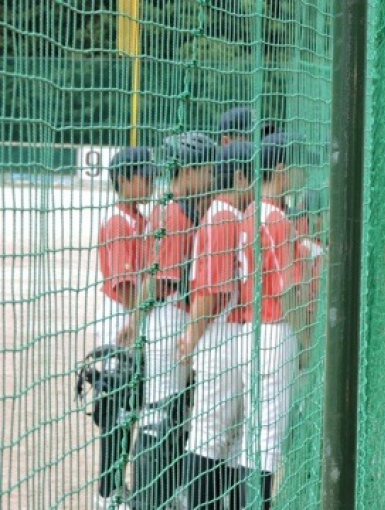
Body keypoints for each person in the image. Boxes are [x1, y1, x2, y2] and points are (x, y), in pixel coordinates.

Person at [117, 132, 217, 509]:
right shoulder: (173, 214)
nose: (211, 176)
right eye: (206, 169)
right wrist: (136, 322)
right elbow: (157, 283)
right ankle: (147, 499)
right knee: (161, 415)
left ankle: (158, 496)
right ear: (188, 171)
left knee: (169, 414)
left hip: (168, 319)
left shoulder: (174, 207)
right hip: (168, 321)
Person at [178, 141, 254, 510]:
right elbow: (212, 290)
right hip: (225, 335)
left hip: (224, 336)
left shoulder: (224, 215)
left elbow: (212, 291)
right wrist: (192, 337)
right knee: (219, 437)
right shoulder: (227, 215)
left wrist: (191, 338)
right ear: (239, 177)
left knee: (218, 437)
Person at [238, 132, 308, 509]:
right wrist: (307, 343)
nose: (303, 175)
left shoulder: (250, 210)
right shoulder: (275, 217)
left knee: (253, 435)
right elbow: (286, 292)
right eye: (298, 167)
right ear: (281, 169)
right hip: (274, 331)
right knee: (267, 440)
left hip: (251, 331)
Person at [94, 146, 158, 509]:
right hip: (120, 321)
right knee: (117, 411)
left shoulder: (139, 218)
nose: (150, 182)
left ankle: (119, 489)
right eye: (144, 176)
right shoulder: (120, 221)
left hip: (134, 321)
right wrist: (140, 321)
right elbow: (126, 286)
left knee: (131, 408)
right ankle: (108, 494)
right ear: (123, 179)